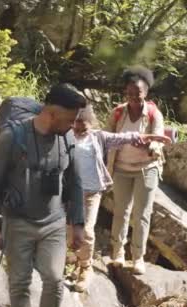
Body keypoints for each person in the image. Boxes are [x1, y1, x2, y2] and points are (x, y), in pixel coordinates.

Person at [0, 84, 87, 307]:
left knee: (54, 279)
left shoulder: (67, 138)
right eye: (70, 119)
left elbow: (75, 181)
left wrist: (78, 223)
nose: (74, 125)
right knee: (19, 283)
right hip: (18, 222)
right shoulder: (13, 137)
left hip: (53, 222)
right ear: (52, 113)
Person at [68, 105, 170, 291]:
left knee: (87, 231)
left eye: (84, 127)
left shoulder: (99, 137)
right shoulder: (65, 137)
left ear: (91, 125)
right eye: (76, 126)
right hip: (71, 194)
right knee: (71, 232)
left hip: (92, 193)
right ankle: (76, 261)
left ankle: (86, 267)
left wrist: (149, 138)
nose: (80, 130)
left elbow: (124, 138)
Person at [106, 66, 165, 275]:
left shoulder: (153, 114)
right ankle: (118, 252)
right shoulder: (118, 113)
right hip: (121, 168)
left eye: (137, 93)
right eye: (129, 93)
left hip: (146, 169)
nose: (133, 97)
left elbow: (159, 140)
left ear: (146, 92)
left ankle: (138, 257)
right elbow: (107, 137)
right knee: (121, 211)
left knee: (142, 214)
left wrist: (149, 146)